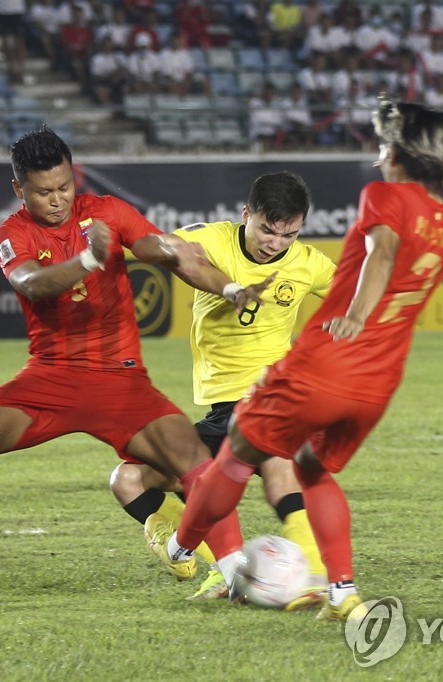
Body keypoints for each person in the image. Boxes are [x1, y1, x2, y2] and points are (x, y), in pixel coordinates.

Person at [0, 128, 271, 601]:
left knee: (193, 460)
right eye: (44, 191)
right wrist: (90, 260)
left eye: (65, 187)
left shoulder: (107, 211)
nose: (58, 200)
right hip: (50, 377)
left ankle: (237, 575)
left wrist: (229, 288)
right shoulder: (10, 234)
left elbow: (165, 251)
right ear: (19, 190)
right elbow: (32, 283)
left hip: (120, 378)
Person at [147, 98, 443, 622]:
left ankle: (186, 548)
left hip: (325, 362)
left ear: (403, 154)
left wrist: (356, 314)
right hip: (379, 380)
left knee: (235, 454)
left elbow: (381, 251)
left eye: (386, 145)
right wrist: (438, 182)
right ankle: (345, 595)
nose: (380, 155)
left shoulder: (385, 194)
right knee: (310, 469)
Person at [108, 171, 335, 602]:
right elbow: (168, 248)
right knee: (129, 478)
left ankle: (311, 570)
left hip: (271, 395)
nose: (275, 243)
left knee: (273, 456)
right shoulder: (213, 240)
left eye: (289, 234)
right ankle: (217, 565)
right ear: (246, 214)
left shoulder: (309, 264)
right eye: (267, 229)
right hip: (222, 409)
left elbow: (353, 296)